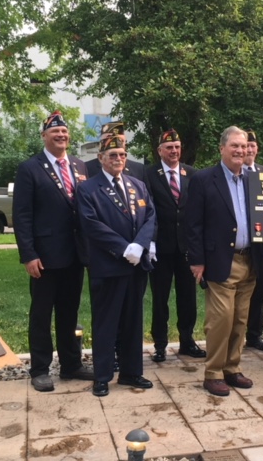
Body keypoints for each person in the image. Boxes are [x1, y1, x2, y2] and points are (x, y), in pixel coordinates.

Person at [185, 126, 263, 397]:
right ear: (222, 148)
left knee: (240, 320)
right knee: (221, 320)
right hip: (220, 261)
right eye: (234, 146)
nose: (240, 151)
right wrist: (196, 261)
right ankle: (213, 373)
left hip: (250, 260)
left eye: (244, 146)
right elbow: (192, 224)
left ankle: (232, 368)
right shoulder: (203, 179)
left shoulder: (256, 181)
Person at [13, 110, 94, 392]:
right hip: (44, 256)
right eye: (55, 132)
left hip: (75, 255)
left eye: (64, 131)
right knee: (41, 314)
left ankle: (71, 364)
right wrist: (28, 254)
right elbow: (22, 215)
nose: (61, 135)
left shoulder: (79, 166)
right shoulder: (30, 168)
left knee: (69, 312)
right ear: (44, 136)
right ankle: (40, 369)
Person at [76, 133, 157, 397]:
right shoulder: (89, 188)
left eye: (122, 155)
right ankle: (102, 376)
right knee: (106, 322)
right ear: (101, 158)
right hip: (108, 265)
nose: (118, 159)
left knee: (133, 321)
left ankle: (131, 372)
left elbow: (151, 216)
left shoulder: (137, 185)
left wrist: (141, 245)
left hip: (136, 266)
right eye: (112, 155)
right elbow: (91, 224)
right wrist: (124, 248)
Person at [145, 129, 205, 362]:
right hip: (160, 247)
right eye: (169, 147)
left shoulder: (192, 174)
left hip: (186, 247)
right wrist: (149, 242)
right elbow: (148, 210)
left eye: (177, 147)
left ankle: (187, 341)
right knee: (160, 299)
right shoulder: (149, 174)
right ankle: (160, 344)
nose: (174, 151)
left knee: (188, 297)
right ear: (160, 150)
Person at [243, 129, 263, 352]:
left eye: (253, 146)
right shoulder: (234, 173)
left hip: (261, 243)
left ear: (257, 149)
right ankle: (234, 334)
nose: (249, 150)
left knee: (259, 289)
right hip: (240, 241)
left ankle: (255, 335)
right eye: (246, 146)